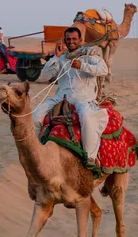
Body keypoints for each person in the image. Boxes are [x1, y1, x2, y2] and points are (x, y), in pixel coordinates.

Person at [33, 27, 109, 163]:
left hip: (83, 99)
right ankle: (38, 153)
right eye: (68, 39)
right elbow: (43, 76)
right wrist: (55, 57)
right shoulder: (62, 58)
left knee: (87, 118)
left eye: (74, 39)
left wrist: (83, 66)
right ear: (64, 41)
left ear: (81, 40)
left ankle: (89, 157)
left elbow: (104, 70)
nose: (71, 42)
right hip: (61, 97)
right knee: (36, 115)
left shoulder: (90, 55)